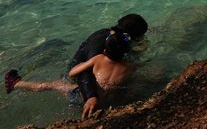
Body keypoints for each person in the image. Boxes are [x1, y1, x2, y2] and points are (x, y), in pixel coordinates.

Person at [5, 31, 135, 115]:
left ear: (105, 51)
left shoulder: (98, 58)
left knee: (54, 84)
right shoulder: (131, 67)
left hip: (82, 97)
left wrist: (82, 64)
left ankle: (15, 83)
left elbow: (72, 73)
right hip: (106, 102)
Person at [61, 13, 148, 119]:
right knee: (66, 87)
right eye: (139, 37)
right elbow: (85, 72)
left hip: (97, 71)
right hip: (83, 75)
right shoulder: (98, 49)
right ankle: (50, 85)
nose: (141, 39)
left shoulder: (116, 41)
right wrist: (91, 96)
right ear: (129, 35)